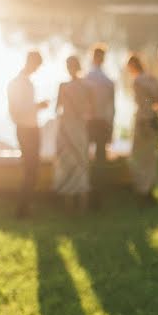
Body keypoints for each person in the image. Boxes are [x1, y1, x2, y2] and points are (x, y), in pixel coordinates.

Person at [8, 50, 48, 217]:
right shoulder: (18, 83)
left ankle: (26, 207)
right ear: (30, 62)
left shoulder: (23, 82)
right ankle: (22, 209)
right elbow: (16, 111)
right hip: (26, 130)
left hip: (30, 128)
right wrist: (38, 106)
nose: (37, 69)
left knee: (32, 168)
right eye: (37, 65)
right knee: (30, 169)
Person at [54, 55, 93, 213]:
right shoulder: (87, 87)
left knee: (66, 164)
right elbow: (90, 110)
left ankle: (68, 207)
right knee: (81, 164)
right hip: (80, 129)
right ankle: (83, 206)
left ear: (68, 67)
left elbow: (57, 109)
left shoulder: (63, 86)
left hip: (66, 129)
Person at [126, 54, 158, 205]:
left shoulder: (138, 81)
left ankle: (142, 190)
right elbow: (157, 98)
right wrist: (154, 104)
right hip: (153, 119)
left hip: (143, 120)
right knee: (150, 155)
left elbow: (147, 99)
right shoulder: (152, 78)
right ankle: (150, 187)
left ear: (132, 66)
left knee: (139, 155)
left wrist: (148, 103)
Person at [84, 44, 115, 207]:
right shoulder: (108, 81)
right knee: (101, 158)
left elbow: (83, 104)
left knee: (86, 156)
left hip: (89, 123)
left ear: (92, 57)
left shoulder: (87, 78)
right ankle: (99, 194)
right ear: (103, 59)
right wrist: (111, 126)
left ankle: (87, 191)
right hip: (103, 123)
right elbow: (112, 108)